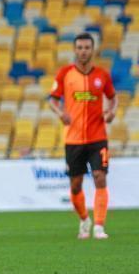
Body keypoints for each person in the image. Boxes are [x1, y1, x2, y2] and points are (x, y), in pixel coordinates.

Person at [49, 32, 118, 240]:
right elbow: (52, 100)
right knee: (75, 184)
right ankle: (84, 219)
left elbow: (113, 98)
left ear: (92, 50)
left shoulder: (102, 75)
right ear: (75, 50)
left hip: (98, 137)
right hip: (73, 139)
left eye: (87, 47)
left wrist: (111, 111)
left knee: (100, 177)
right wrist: (60, 113)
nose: (83, 51)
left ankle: (99, 226)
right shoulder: (65, 73)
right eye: (79, 48)